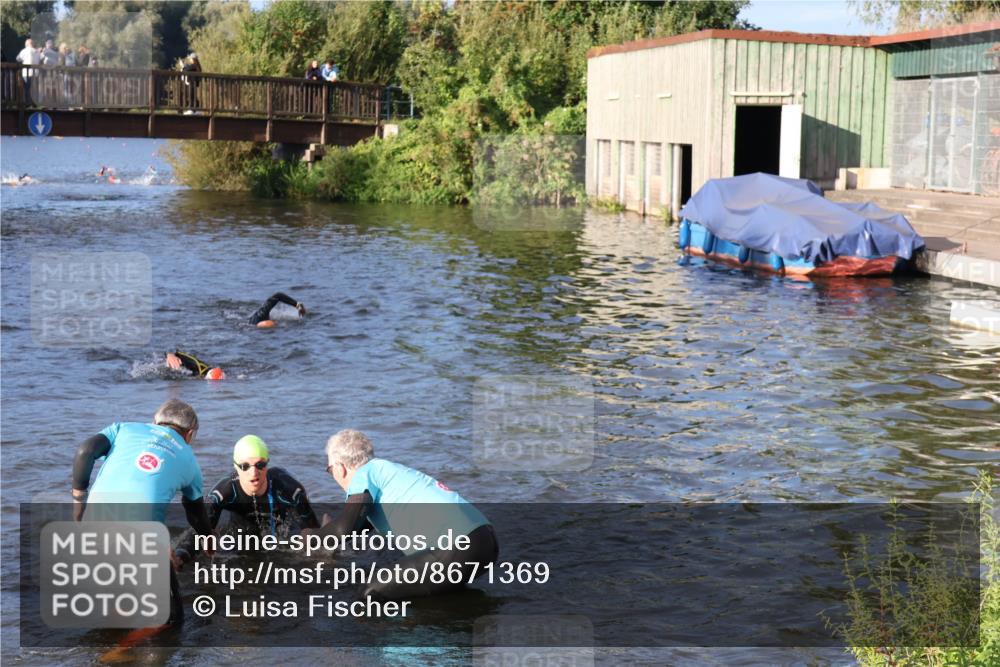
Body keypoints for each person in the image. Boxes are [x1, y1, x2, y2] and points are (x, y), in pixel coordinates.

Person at [305, 429, 499, 601]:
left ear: (340, 467)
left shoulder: (364, 474)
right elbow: (354, 530)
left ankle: (393, 641)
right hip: (485, 540)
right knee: (438, 598)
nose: (334, 476)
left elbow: (343, 529)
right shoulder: (388, 472)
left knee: (370, 592)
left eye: (329, 470)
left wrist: (308, 536)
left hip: (457, 546)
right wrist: (326, 541)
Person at [71, 399, 214, 625]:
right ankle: (119, 652)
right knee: (171, 621)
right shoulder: (190, 461)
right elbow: (195, 513)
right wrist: (207, 538)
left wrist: (79, 498)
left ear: (155, 422)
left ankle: (106, 649)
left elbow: (85, 451)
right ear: (190, 434)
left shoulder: (122, 429)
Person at [173, 435, 319, 567]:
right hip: (241, 536)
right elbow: (198, 532)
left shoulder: (289, 489)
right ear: (236, 467)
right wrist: (180, 557)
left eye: (260, 465)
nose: (254, 472)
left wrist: (319, 551)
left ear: (267, 464)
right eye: (245, 466)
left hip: (282, 535)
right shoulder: (224, 492)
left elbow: (314, 529)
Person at [15, 39, 40, 104]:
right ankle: (35, 103)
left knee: (27, 88)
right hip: (36, 73)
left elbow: (18, 59)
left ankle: (28, 103)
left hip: (27, 73)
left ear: (27, 44)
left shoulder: (24, 50)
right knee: (34, 89)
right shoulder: (37, 51)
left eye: (25, 44)